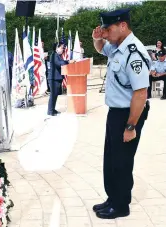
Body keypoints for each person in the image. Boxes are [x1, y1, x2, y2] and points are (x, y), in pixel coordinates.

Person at [92, 8, 151, 219]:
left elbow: (141, 93)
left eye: (108, 29)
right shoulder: (117, 47)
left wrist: (130, 126)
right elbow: (101, 49)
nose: (105, 34)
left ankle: (121, 205)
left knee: (122, 160)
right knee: (111, 158)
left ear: (123, 26)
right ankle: (112, 198)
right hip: (115, 112)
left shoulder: (134, 53)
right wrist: (97, 39)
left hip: (129, 114)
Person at [47, 42, 74, 116]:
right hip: (53, 79)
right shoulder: (54, 55)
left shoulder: (57, 55)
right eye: (61, 48)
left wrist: (68, 62)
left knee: (55, 95)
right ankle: (50, 111)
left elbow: (62, 62)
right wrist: (68, 62)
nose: (63, 49)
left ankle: (52, 109)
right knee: (53, 95)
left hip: (57, 78)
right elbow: (59, 63)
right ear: (56, 48)